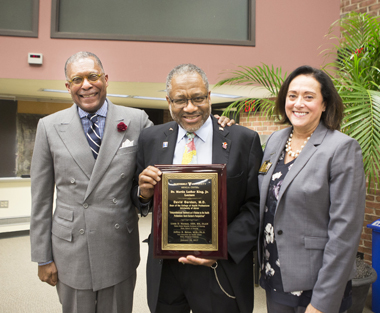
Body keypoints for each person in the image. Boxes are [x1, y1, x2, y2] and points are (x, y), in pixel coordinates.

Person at [30, 52, 233, 313]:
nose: (86, 85)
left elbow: (175, 135)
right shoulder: (49, 127)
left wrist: (216, 125)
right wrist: (42, 257)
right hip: (70, 247)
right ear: (68, 86)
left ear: (105, 79)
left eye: (93, 76)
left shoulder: (136, 121)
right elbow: (41, 199)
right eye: (77, 79)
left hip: (118, 246)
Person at [133, 63, 263, 313]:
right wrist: (143, 192)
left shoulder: (242, 140)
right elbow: (136, 196)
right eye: (180, 100)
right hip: (167, 271)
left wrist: (220, 248)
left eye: (198, 98)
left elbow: (256, 206)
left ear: (209, 97)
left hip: (219, 269)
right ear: (168, 100)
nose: (190, 108)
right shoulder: (151, 139)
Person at [257, 65, 366, 313]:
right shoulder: (275, 140)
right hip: (275, 275)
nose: (298, 103)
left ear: (325, 104)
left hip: (315, 284)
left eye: (309, 96)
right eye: (292, 95)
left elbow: (345, 233)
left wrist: (322, 302)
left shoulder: (341, 148)